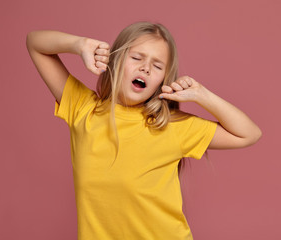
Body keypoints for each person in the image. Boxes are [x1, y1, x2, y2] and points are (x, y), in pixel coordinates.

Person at [26, 22, 261, 240]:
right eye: (137, 57)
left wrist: (202, 95)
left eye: (157, 65)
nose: (146, 68)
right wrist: (79, 45)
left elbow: (249, 133)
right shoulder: (82, 109)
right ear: (114, 60)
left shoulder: (171, 125)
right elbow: (35, 44)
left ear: (162, 80)